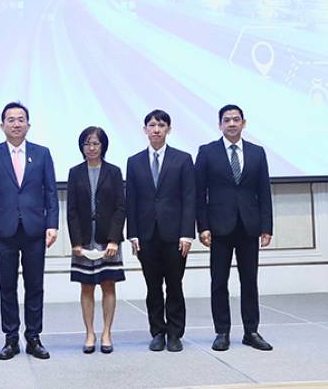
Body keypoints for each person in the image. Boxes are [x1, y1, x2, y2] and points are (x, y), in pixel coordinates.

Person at [0, 101, 59, 360]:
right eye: (11, 120)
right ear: (2, 125)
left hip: (35, 229)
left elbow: (51, 192)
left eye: (21, 119)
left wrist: (52, 224)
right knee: (7, 286)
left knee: (35, 286)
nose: (16, 124)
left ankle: (34, 337)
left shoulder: (42, 153)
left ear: (28, 124)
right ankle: (11, 338)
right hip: (4, 231)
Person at [195, 104, 273, 352]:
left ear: (243, 123)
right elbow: (199, 193)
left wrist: (266, 227)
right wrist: (203, 227)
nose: (231, 123)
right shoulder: (207, 152)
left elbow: (264, 191)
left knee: (249, 281)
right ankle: (222, 332)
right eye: (227, 120)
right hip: (219, 227)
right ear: (220, 124)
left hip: (249, 226)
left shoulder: (257, 152)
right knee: (219, 282)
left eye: (236, 119)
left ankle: (251, 331)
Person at [126, 110, 195, 352]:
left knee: (174, 285)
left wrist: (187, 233)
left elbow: (189, 198)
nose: (156, 129)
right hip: (146, 236)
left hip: (175, 235)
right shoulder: (134, 161)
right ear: (145, 129)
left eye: (161, 125)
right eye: (152, 125)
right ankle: (157, 332)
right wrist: (132, 234)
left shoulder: (183, 159)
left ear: (169, 129)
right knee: (153, 287)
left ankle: (175, 334)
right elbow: (131, 200)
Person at [67, 126, 125, 354]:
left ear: (103, 146)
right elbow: (71, 210)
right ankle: (90, 333)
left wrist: (114, 240)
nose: (91, 148)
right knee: (87, 286)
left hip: (107, 238)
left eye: (95, 143)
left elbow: (120, 208)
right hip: (83, 239)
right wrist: (76, 242)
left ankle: (107, 333)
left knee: (108, 285)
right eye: (87, 143)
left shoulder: (114, 171)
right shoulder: (75, 172)